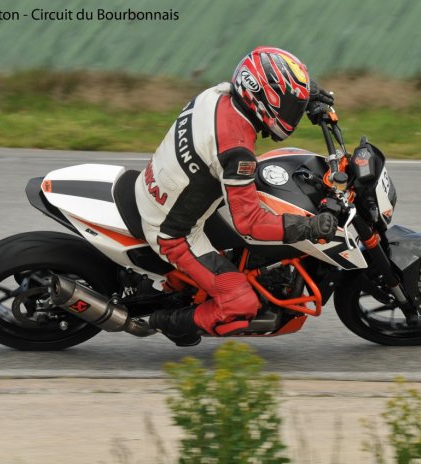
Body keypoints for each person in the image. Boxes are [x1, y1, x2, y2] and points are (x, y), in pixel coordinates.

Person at [135, 46, 337, 346]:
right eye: (290, 106)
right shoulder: (237, 149)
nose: (293, 113)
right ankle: (168, 322)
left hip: (170, 187)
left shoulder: (219, 95)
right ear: (265, 100)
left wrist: (309, 96)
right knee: (241, 304)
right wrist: (309, 227)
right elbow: (249, 223)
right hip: (173, 232)